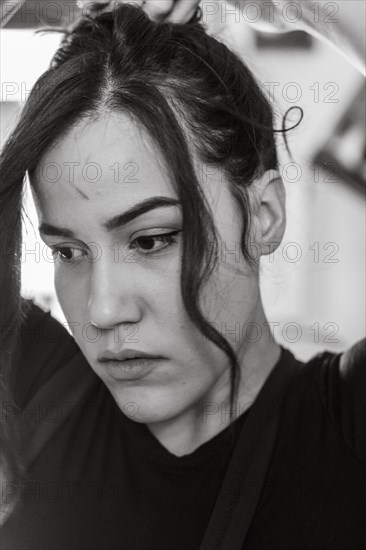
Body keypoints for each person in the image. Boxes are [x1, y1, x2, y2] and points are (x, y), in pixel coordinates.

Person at [0, 2, 365, 549]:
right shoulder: (32, 394)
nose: (103, 310)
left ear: (263, 215)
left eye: (151, 240)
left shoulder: (348, 431)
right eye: (70, 251)